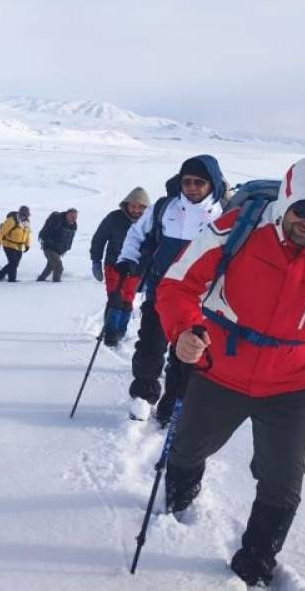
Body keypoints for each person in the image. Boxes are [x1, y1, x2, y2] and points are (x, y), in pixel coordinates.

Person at [155, 155, 305, 587]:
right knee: (187, 449)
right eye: (304, 211)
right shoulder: (236, 229)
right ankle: (178, 502)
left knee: (283, 480)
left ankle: (256, 562)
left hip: (293, 386)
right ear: (288, 200)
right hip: (220, 368)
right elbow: (177, 283)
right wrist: (185, 329)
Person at [116, 155, 227, 424]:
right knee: (150, 346)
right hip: (159, 291)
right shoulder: (164, 208)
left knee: (186, 354)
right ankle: (144, 395)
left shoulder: (225, 215)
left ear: (212, 184)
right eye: (186, 181)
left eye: (199, 182)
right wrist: (128, 259)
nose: (191, 187)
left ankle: (173, 404)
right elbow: (136, 234)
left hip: (199, 300)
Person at [89, 187, 150, 346]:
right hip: (114, 265)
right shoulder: (114, 218)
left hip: (137, 269)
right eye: (133, 206)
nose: (136, 210)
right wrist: (96, 260)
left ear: (146, 207)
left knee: (127, 300)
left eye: (140, 207)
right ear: (126, 205)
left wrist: (149, 273)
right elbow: (99, 239)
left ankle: (121, 330)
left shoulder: (150, 222)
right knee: (115, 297)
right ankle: (111, 332)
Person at [36, 208, 78, 282]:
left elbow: (69, 238)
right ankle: (56, 285)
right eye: (72, 216)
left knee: (50, 266)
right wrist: (49, 242)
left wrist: (66, 248)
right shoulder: (58, 220)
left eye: (75, 217)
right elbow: (46, 232)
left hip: (59, 250)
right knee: (58, 267)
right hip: (49, 248)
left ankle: (40, 280)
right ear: (67, 214)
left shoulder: (73, 225)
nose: (74, 219)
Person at [0, 206, 31, 282]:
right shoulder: (11, 221)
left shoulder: (26, 222)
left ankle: (12, 279)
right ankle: (0, 274)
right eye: (24, 215)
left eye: (27, 215)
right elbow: (1, 233)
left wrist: (27, 245)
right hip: (8, 244)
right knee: (13, 263)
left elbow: (27, 233)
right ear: (20, 213)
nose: (25, 217)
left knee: (15, 264)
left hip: (19, 246)